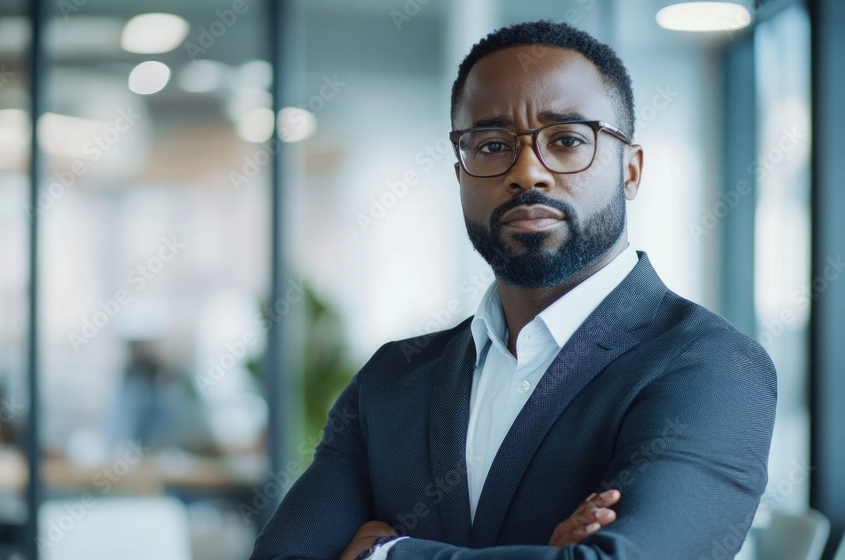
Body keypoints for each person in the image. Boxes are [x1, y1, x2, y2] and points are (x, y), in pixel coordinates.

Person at [249, 20, 776, 560]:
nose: (527, 172)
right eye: (493, 144)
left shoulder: (711, 367)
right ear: (460, 174)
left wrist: (385, 554)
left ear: (631, 170)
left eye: (568, 140)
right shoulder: (392, 379)